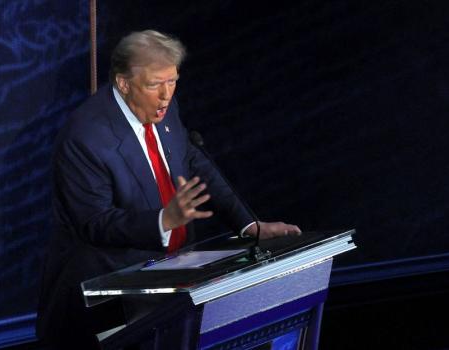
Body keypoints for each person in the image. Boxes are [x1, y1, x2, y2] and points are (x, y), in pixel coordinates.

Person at [36, 29, 301, 348]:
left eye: (172, 81)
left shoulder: (162, 109)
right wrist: (163, 221)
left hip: (170, 284)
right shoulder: (85, 137)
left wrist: (249, 225)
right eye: (154, 85)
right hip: (105, 296)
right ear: (123, 83)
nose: (166, 95)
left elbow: (193, 162)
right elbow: (95, 223)